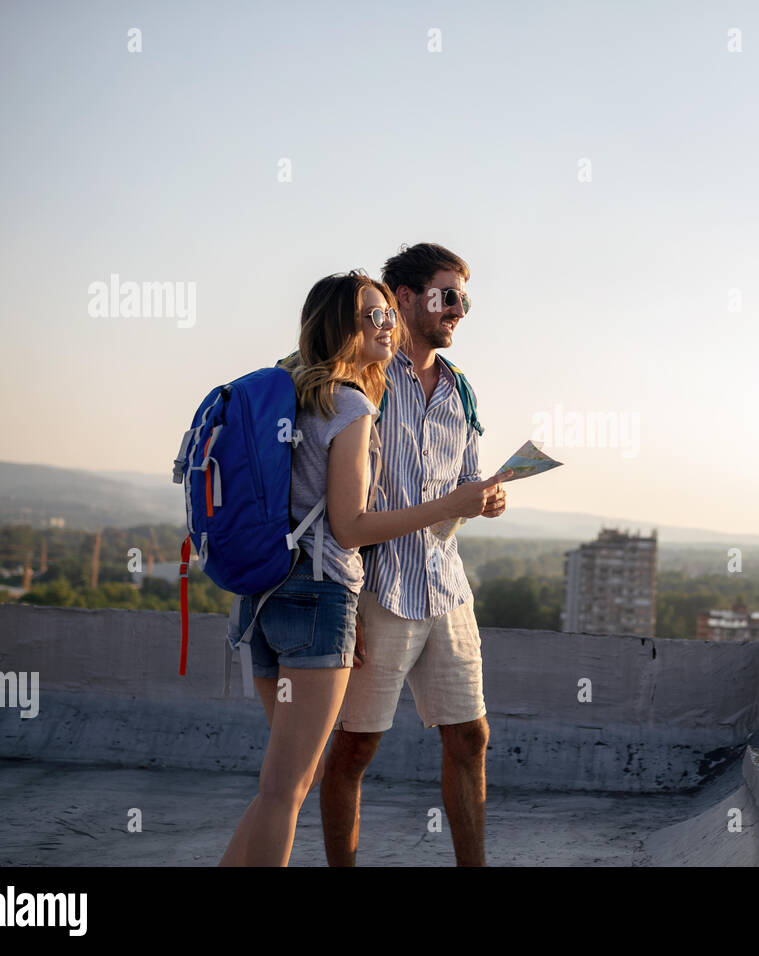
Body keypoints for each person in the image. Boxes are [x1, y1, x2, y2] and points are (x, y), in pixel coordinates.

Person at [219, 268, 507, 867]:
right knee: (297, 784)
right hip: (332, 594)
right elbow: (350, 525)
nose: (385, 326)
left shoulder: (303, 385)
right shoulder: (356, 395)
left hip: (268, 592)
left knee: (280, 786)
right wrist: (450, 505)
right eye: (375, 316)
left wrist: (472, 498)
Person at [321, 243, 507, 867]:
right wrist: (345, 608)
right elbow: (339, 509)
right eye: (446, 294)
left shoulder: (461, 392)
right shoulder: (366, 376)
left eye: (464, 298)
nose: (459, 308)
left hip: (445, 586)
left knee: (471, 736)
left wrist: (484, 499)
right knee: (355, 749)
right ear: (402, 298)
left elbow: (459, 489)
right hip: (378, 590)